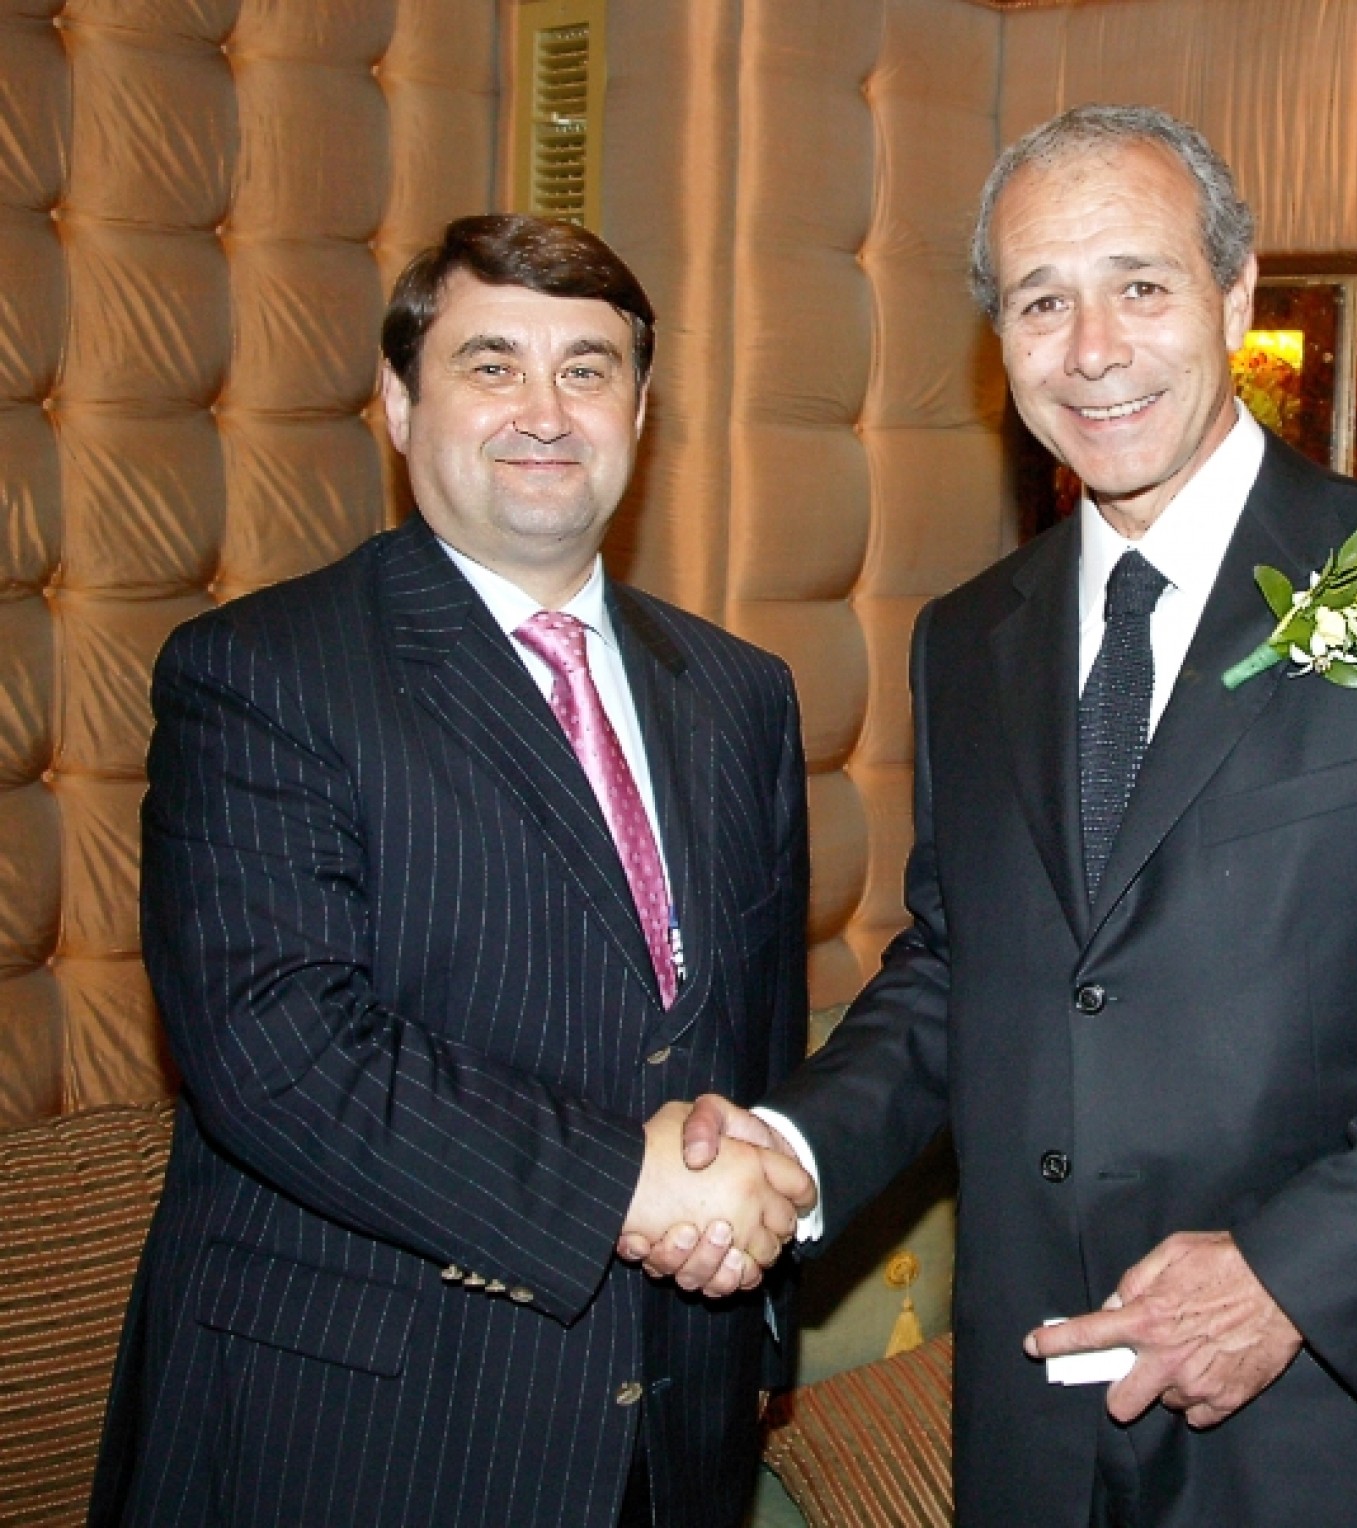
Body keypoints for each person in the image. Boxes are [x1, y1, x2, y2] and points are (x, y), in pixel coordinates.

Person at [642, 105, 1357, 1525]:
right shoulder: (968, 638)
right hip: (1034, 1431)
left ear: (1235, 295)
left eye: (1141, 285)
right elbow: (957, 970)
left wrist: (1289, 1275)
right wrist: (792, 1154)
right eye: (1042, 301)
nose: (1093, 350)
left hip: (1331, 1435)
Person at [91, 214, 815, 1528]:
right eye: (492, 365)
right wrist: (621, 1183)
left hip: (672, 1428)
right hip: (364, 1433)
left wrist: (756, 1317)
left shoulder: (739, 693)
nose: (546, 411)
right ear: (396, 402)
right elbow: (275, 1047)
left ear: (640, 409)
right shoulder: (261, 672)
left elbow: (750, 1036)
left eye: (587, 369)